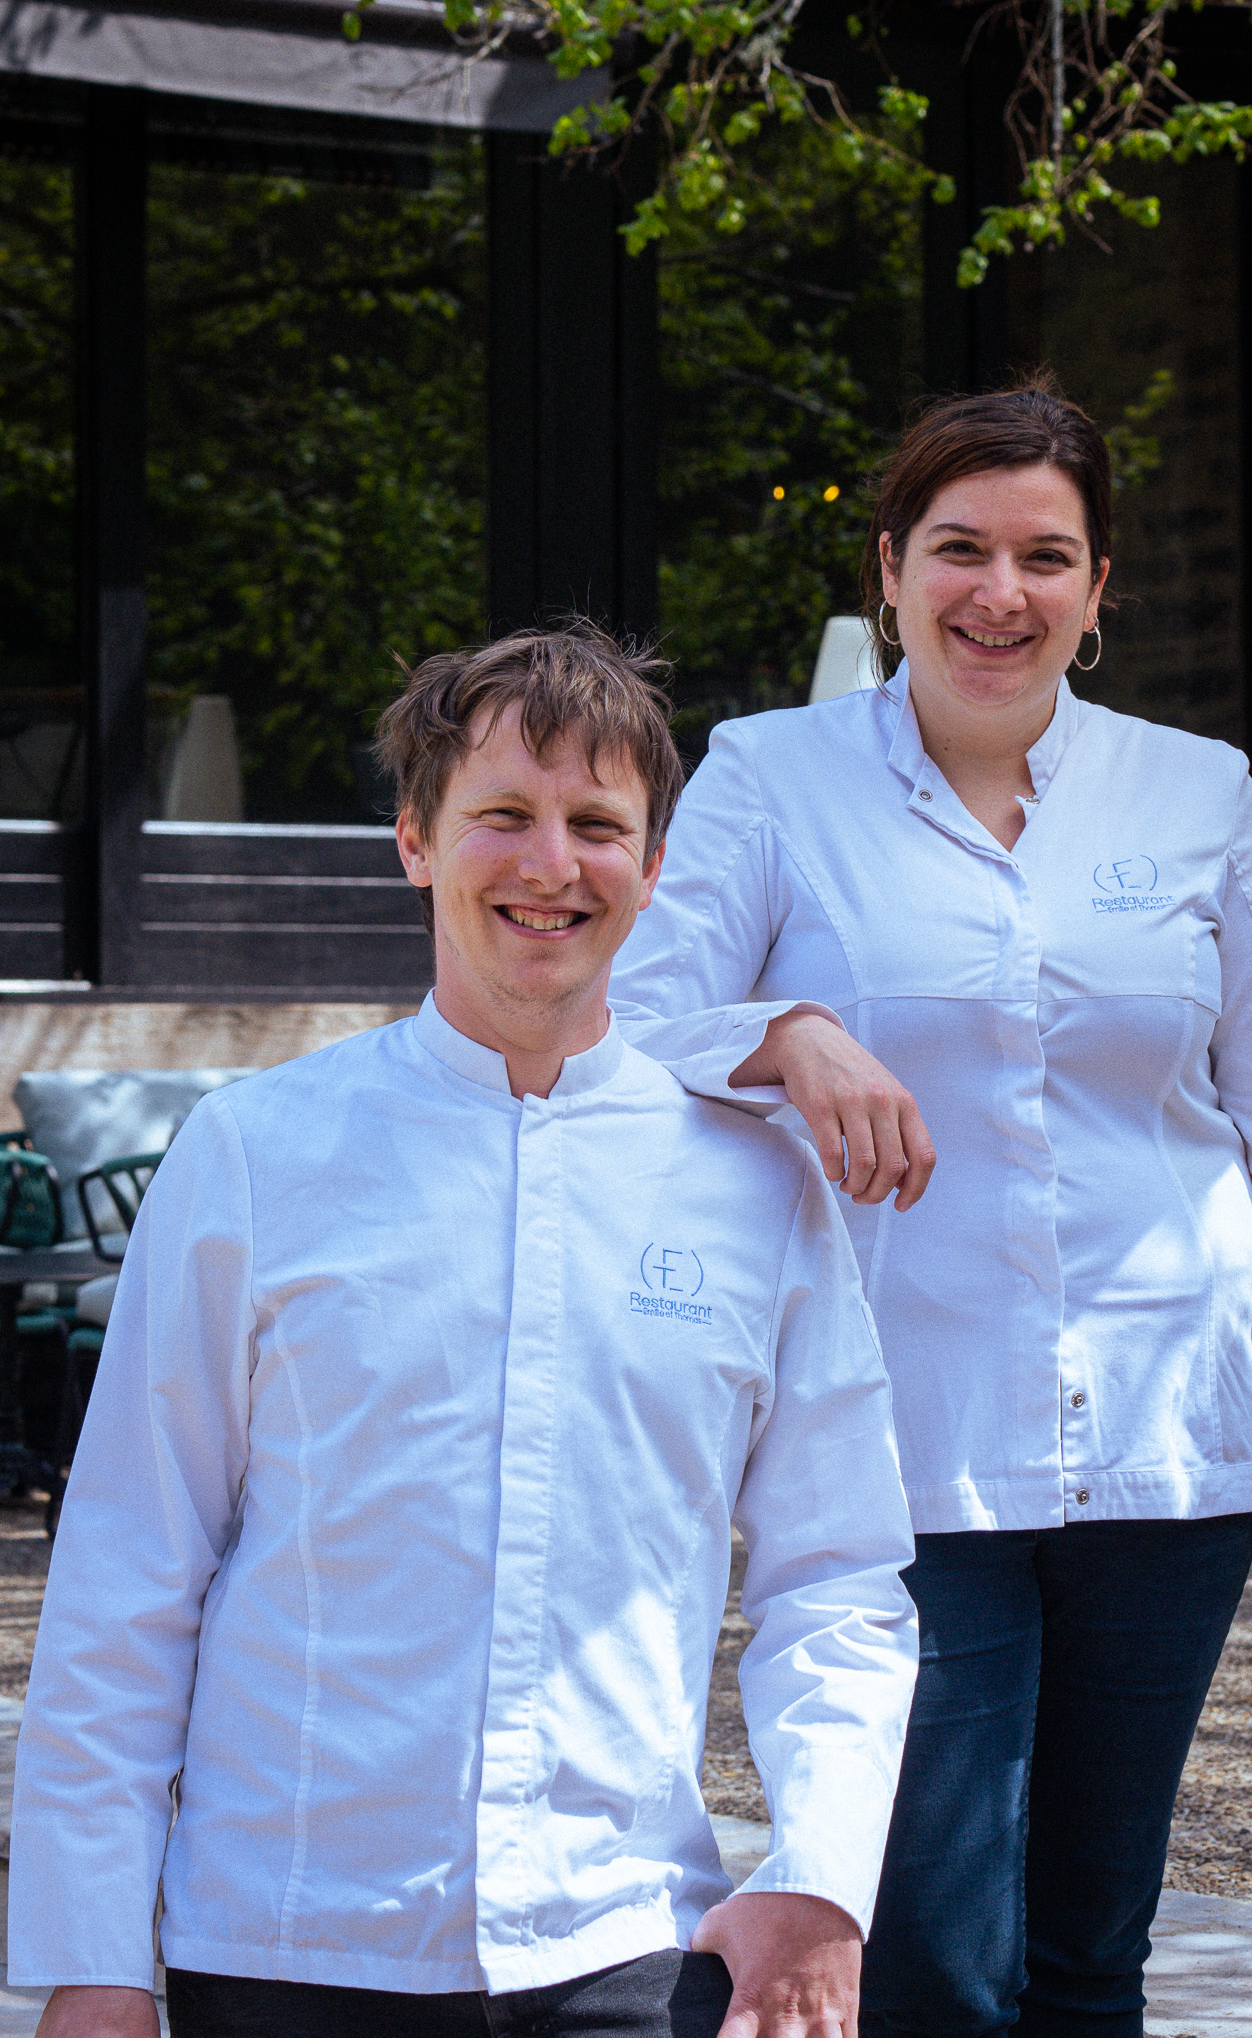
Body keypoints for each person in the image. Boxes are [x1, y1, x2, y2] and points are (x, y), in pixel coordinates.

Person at [8, 628, 919, 2038]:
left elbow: (836, 1578)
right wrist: (94, 1959)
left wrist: (822, 1875)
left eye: (596, 825)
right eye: (502, 814)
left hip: (619, 1942)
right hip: (288, 1941)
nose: (551, 864)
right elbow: (133, 1568)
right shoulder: (255, 1153)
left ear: (654, 869)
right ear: (415, 842)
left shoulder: (756, 1189)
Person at [610, 381, 1252, 2038]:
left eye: (1044, 555)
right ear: (889, 570)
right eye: (958, 548)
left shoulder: (1196, 794)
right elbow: (634, 1023)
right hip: (896, 1449)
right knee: (937, 1952)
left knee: (1092, 1947)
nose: (996, 593)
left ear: (1096, 594)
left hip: (1169, 1457)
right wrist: (786, 1032)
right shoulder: (768, 777)